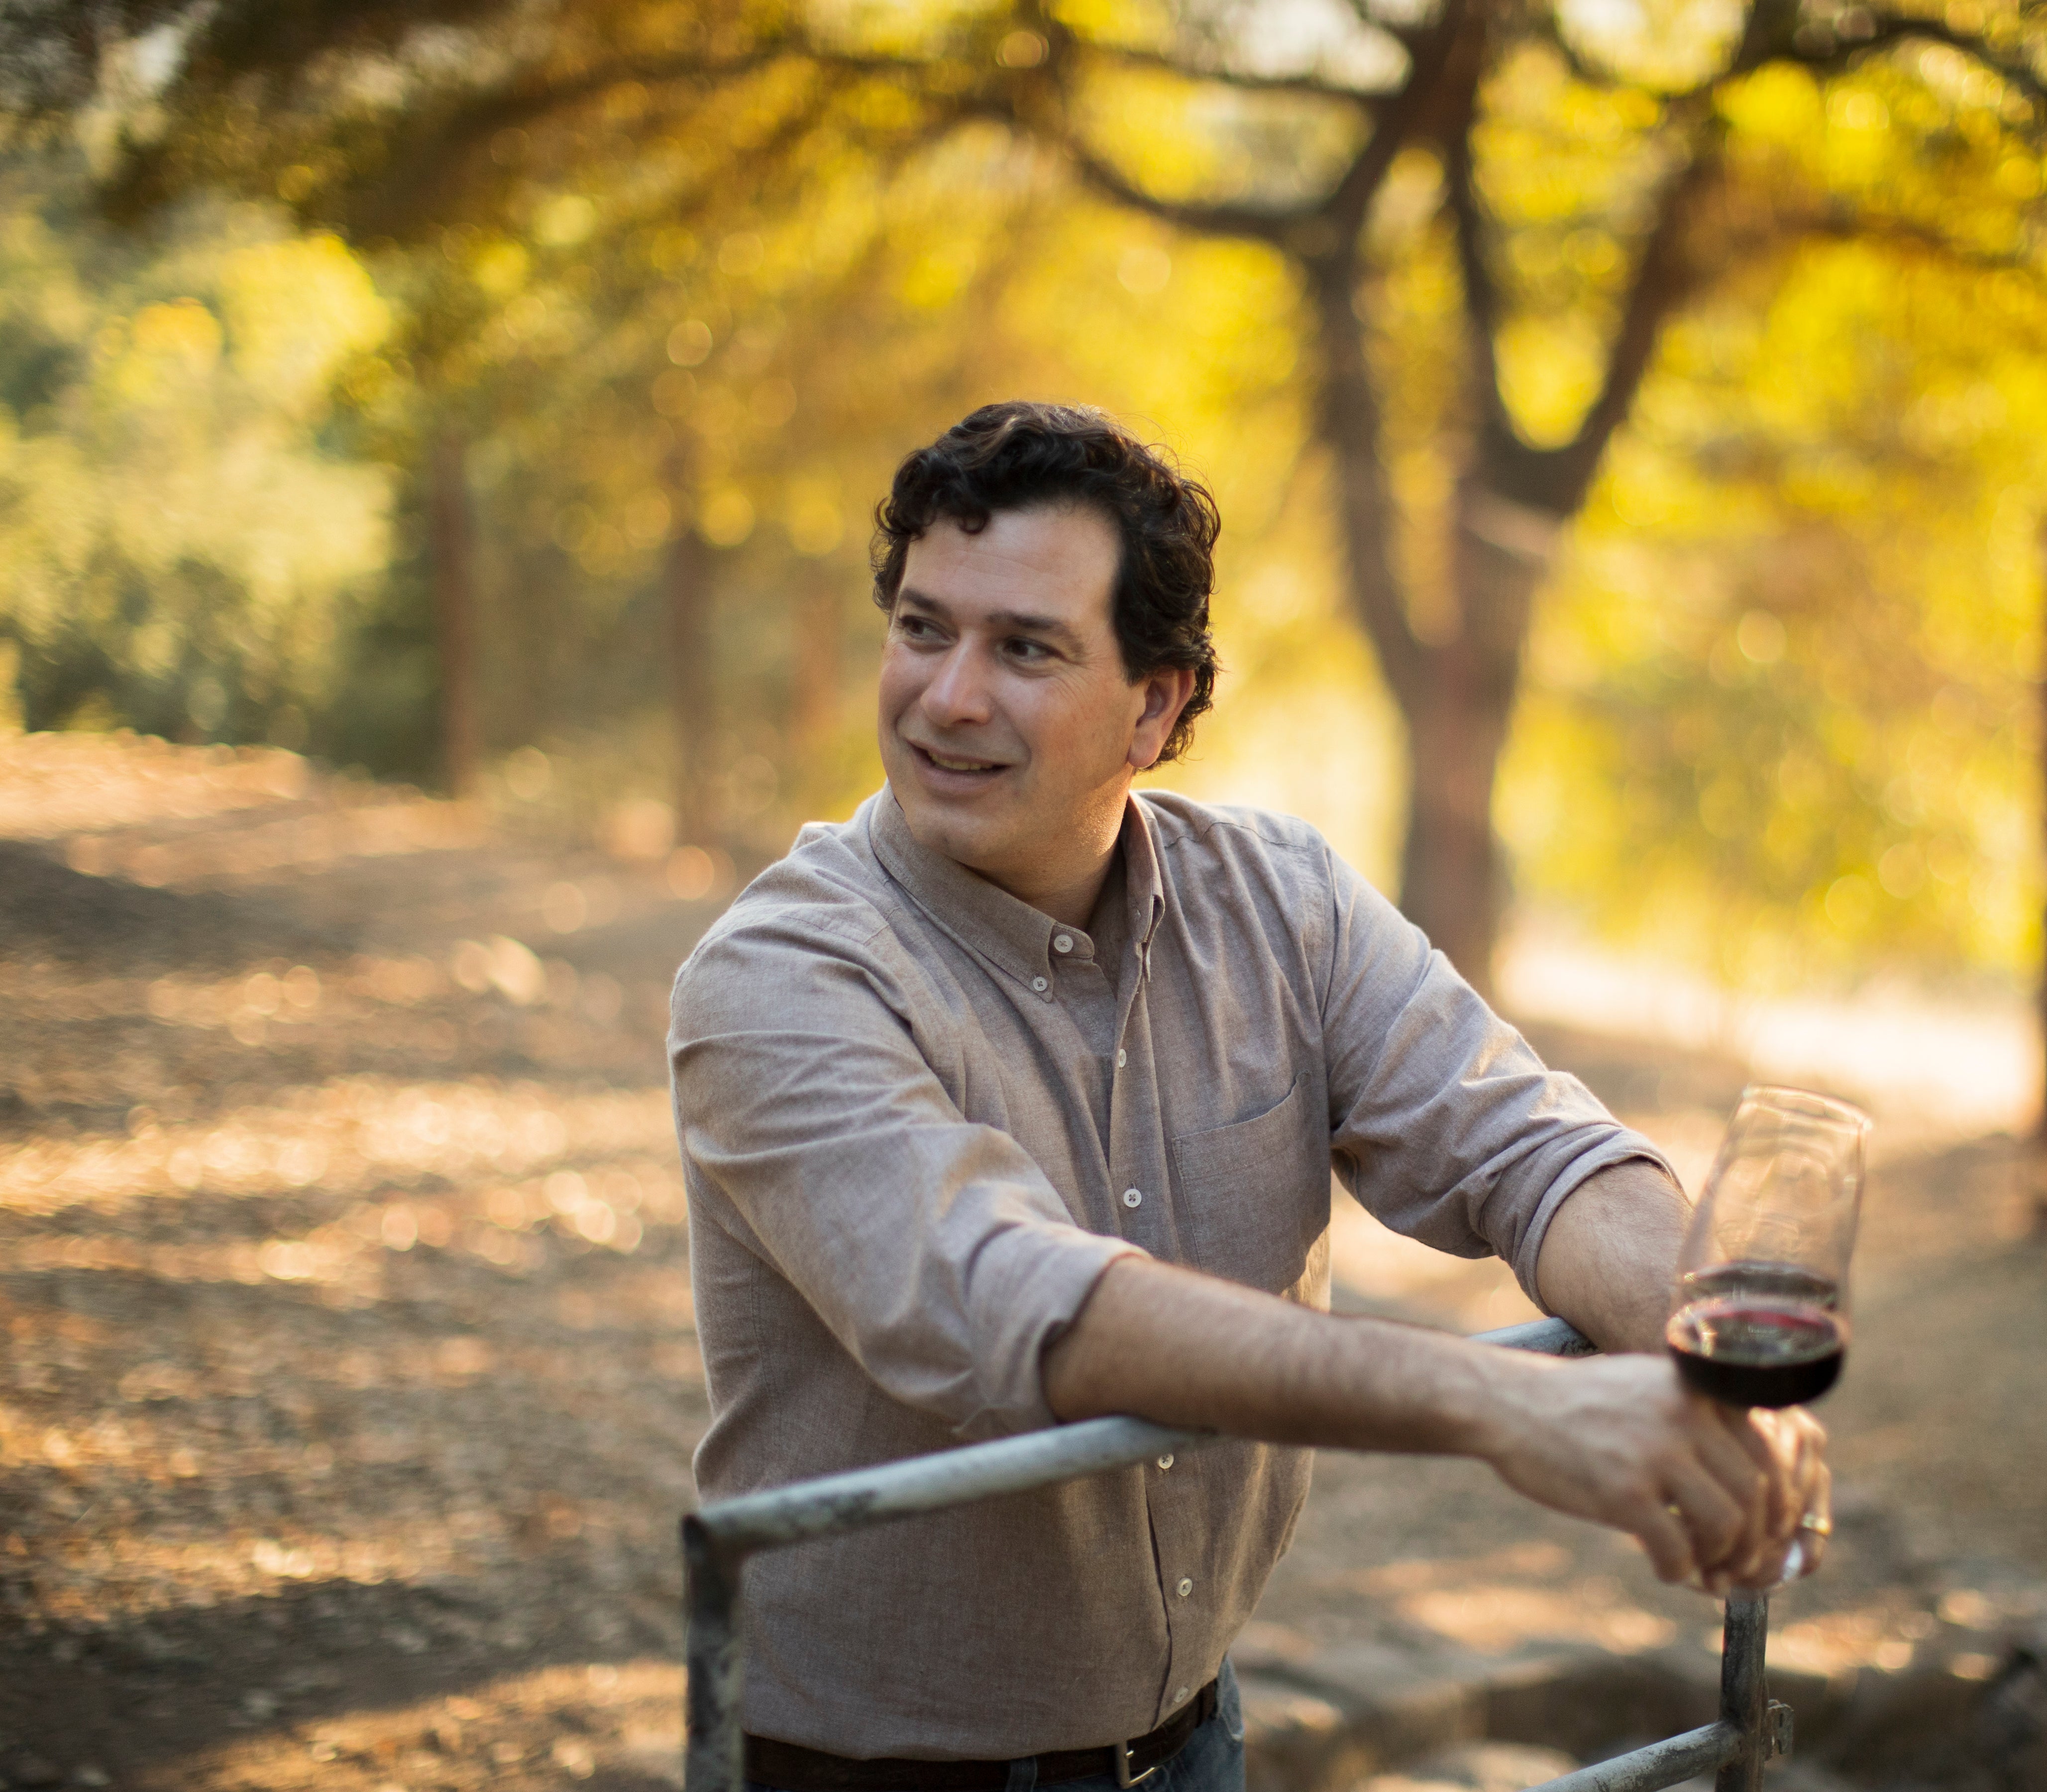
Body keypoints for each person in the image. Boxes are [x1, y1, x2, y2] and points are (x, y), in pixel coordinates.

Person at [667, 401, 1830, 1792]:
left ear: (1157, 706)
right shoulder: (778, 975)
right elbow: (1011, 1304)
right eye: (924, 628)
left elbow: (1532, 1152)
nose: (950, 696)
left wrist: (1694, 1354)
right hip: (872, 1772)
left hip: (1198, 1741)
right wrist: (1511, 1410)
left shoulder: (1285, 903)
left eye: (1026, 648)